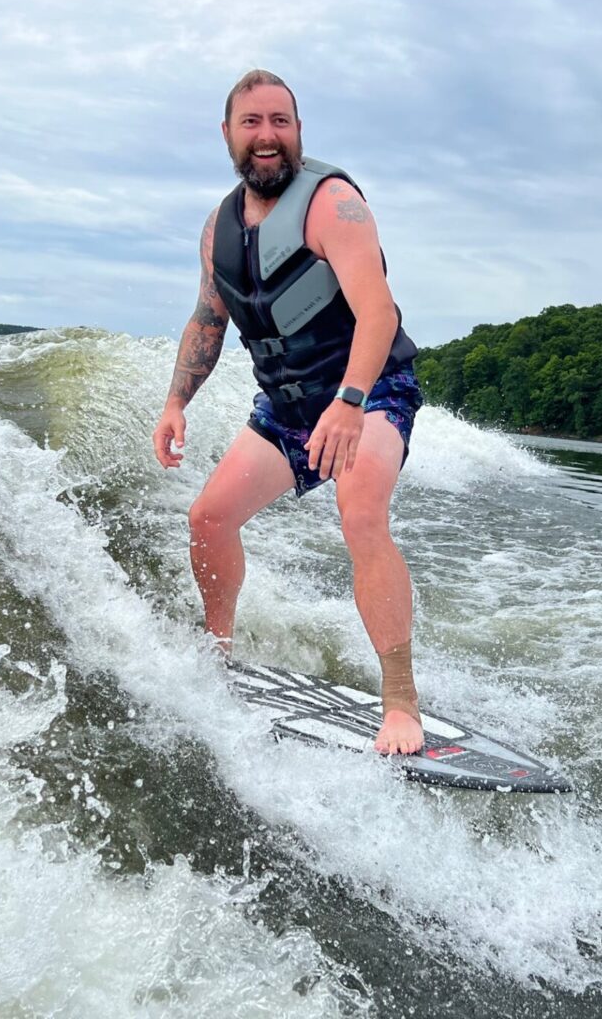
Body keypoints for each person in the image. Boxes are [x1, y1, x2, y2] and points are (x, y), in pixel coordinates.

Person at [152, 69, 425, 755]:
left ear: (298, 131)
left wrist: (350, 402)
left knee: (360, 512)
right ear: (229, 136)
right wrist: (176, 401)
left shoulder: (333, 206)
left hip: (370, 392)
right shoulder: (219, 229)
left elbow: (378, 312)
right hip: (288, 407)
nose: (267, 136)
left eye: (281, 122)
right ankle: (218, 651)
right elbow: (208, 320)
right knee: (208, 519)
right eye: (253, 123)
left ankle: (400, 702)